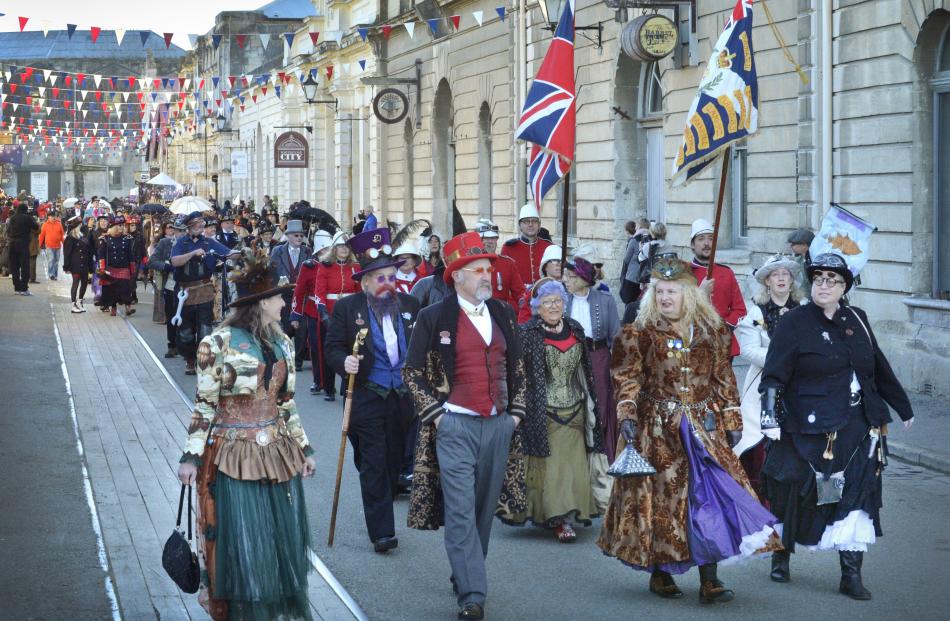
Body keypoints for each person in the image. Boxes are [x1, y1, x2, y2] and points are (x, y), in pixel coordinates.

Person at [598, 255, 780, 604]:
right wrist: (628, 415)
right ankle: (661, 571)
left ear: (689, 294)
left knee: (708, 497)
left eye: (673, 291)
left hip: (703, 427)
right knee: (664, 502)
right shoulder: (640, 332)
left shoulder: (711, 331)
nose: (666, 298)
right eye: (661, 291)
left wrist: (731, 422)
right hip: (658, 429)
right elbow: (627, 377)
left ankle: (709, 578)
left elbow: (724, 379)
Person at [759, 252, 914, 598]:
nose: (824, 284)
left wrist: (903, 407)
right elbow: (773, 375)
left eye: (833, 279)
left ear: (845, 287)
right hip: (804, 425)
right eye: (819, 278)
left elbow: (877, 366)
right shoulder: (794, 322)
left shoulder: (857, 319)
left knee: (858, 495)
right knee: (793, 492)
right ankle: (781, 557)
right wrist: (769, 417)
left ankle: (851, 575)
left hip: (857, 425)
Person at [176, 247, 316, 620]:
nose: (285, 304)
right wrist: (190, 456)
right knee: (239, 539)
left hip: (276, 454)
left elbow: (286, 403)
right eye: (279, 298)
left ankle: (266, 609)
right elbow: (205, 405)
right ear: (262, 303)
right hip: (231, 455)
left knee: (274, 538)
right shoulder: (216, 344)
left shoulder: (284, 343)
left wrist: (305, 448)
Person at [403, 231, 527, 621]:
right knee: (459, 510)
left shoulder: (504, 313)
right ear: (457, 276)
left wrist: (516, 416)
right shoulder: (433, 316)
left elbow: (519, 368)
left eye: (488, 269)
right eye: (477, 270)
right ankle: (473, 594)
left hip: (498, 425)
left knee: (482, 510)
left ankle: (465, 571)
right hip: (455, 424)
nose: (487, 276)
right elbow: (412, 372)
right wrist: (438, 416)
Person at [325, 227, 420, 553]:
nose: (388, 284)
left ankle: (379, 481)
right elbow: (332, 348)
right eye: (380, 278)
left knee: (392, 462)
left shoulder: (410, 305)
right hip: (365, 394)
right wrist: (344, 362)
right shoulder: (348, 309)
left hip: (402, 398)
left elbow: (420, 348)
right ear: (365, 282)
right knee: (375, 463)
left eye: (391, 277)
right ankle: (382, 532)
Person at [497, 279, 604, 542]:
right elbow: (516, 374)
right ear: (537, 307)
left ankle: (567, 513)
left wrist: (592, 404)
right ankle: (558, 518)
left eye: (558, 301)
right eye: (547, 302)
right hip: (542, 411)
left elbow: (585, 372)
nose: (554, 306)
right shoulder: (527, 333)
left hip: (575, 409)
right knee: (551, 466)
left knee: (572, 465)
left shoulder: (575, 329)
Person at [733, 254, 806, 489]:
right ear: (767, 281)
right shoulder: (757, 312)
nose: (781, 279)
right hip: (763, 385)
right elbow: (748, 349)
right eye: (776, 275)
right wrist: (780, 360)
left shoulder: (805, 310)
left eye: (786, 274)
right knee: (762, 436)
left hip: (799, 382)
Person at [563, 256, 621, 461]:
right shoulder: (561, 300)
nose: (566, 281)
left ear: (583, 279)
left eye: (570, 277)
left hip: (599, 358)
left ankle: (602, 454)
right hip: (568, 357)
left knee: (601, 402)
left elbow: (616, 335)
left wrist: (616, 368)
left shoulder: (605, 300)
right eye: (565, 276)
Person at [171, 212, 240, 374]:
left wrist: (243, 252)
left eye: (202, 224)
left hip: (204, 290)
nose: (200, 227)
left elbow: (229, 253)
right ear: (189, 226)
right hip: (185, 292)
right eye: (197, 224)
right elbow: (175, 261)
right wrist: (192, 254)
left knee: (204, 328)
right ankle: (189, 359)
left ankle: (202, 358)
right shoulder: (181, 242)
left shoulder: (209, 242)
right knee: (186, 331)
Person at [689, 218, 746, 357]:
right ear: (692, 245)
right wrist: (700, 293)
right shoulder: (684, 274)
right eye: (701, 239)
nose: (707, 243)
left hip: (724, 344)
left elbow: (740, 310)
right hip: (693, 343)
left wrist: (724, 329)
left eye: (710, 238)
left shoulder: (726, 273)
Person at [315, 233, 360, 400]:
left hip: (350, 313)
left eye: (347, 246)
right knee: (329, 351)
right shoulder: (325, 266)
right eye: (341, 246)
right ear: (334, 248)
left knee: (351, 350)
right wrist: (324, 315)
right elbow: (319, 293)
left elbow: (358, 292)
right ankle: (328, 387)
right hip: (330, 313)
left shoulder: (355, 267)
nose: (344, 250)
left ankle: (346, 385)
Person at [290, 230, 333, 395]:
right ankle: (319, 381)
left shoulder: (337, 265)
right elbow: (299, 292)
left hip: (335, 311)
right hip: (314, 312)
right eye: (325, 249)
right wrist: (295, 315)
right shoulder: (309, 267)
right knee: (317, 349)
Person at [271, 220, 313, 371]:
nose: (299, 238)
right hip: (284, 294)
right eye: (296, 235)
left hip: (302, 296)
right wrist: (277, 285)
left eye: (301, 235)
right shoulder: (277, 251)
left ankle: (298, 361)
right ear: (288, 236)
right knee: (285, 327)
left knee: (302, 329)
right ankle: (285, 356)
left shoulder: (308, 251)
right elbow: (272, 270)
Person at [149, 216, 188, 358]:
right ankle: (172, 345)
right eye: (178, 230)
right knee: (171, 316)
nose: (181, 234)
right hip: (171, 286)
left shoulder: (193, 244)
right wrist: (166, 266)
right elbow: (152, 261)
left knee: (187, 318)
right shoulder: (165, 243)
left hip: (189, 287)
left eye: (184, 231)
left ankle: (186, 347)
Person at [476, 218, 526, 310]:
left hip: (500, 315)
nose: (490, 242)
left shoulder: (507, 264)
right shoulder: (469, 264)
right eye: (486, 238)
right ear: (477, 240)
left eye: (493, 238)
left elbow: (520, 294)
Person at [501, 203, 553, 288]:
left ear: (539, 225)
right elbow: (505, 277)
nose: (530, 224)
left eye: (534, 221)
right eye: (526, 221)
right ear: (520, 226)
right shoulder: (508, 248)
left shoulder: (548, 246)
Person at [96, 215, 137, 317]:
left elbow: (130, 254)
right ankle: (113, 307)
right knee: (112, 289)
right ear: (113, 227)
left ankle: (128, 307)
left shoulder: (127, 238)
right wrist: (102, 268)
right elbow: (101, 255)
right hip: (111, 268)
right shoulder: (105, 238)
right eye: (119, 226)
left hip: (124, 268)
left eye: (123, 225)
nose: (122, 228)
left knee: (125, 288)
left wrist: (132, 269)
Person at [516, 245, 563, 323]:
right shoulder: (534, 291)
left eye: (561, 261)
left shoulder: (570, 290)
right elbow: (524, 321)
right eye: (554, 260)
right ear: (545, 266)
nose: (559, 264)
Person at [62, 216, 95, 312]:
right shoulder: (70, 238)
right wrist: (66, 266)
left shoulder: (82, 236)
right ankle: (73, 304)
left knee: (84, 283)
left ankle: (80, 301)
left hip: (84, 264)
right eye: (80, 225)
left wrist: (90, 265)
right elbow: (66, 254)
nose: (82, 226)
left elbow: (88, 251)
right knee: (75, 283)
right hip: (75, 265)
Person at [6, 202, 38, 295]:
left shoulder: (12, 218)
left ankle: (17, 289)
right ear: (25, 209)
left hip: (12, 243)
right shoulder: (27, 217)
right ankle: (24, 289)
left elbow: (8, 231)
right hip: (23, 244)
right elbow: (35, 227)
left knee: (14, 267)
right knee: (24, 266)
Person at [787, 228, 815, 295]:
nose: (790, 246)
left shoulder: (815, 260)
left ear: (804, 245)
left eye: (793, 244)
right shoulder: (798, 260)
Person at [39, 211, 65, 281]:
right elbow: (42, 235)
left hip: (58, 246)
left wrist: (64, 244)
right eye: (52, 216)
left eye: (54, 216)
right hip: (49, 246)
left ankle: (55, 275)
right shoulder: (45, 225)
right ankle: (51, 274)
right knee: (51, 260)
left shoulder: (59, 224)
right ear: (48, 217)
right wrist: (39, 244)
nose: (54, 217)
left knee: (56, 262)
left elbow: (62, 235)